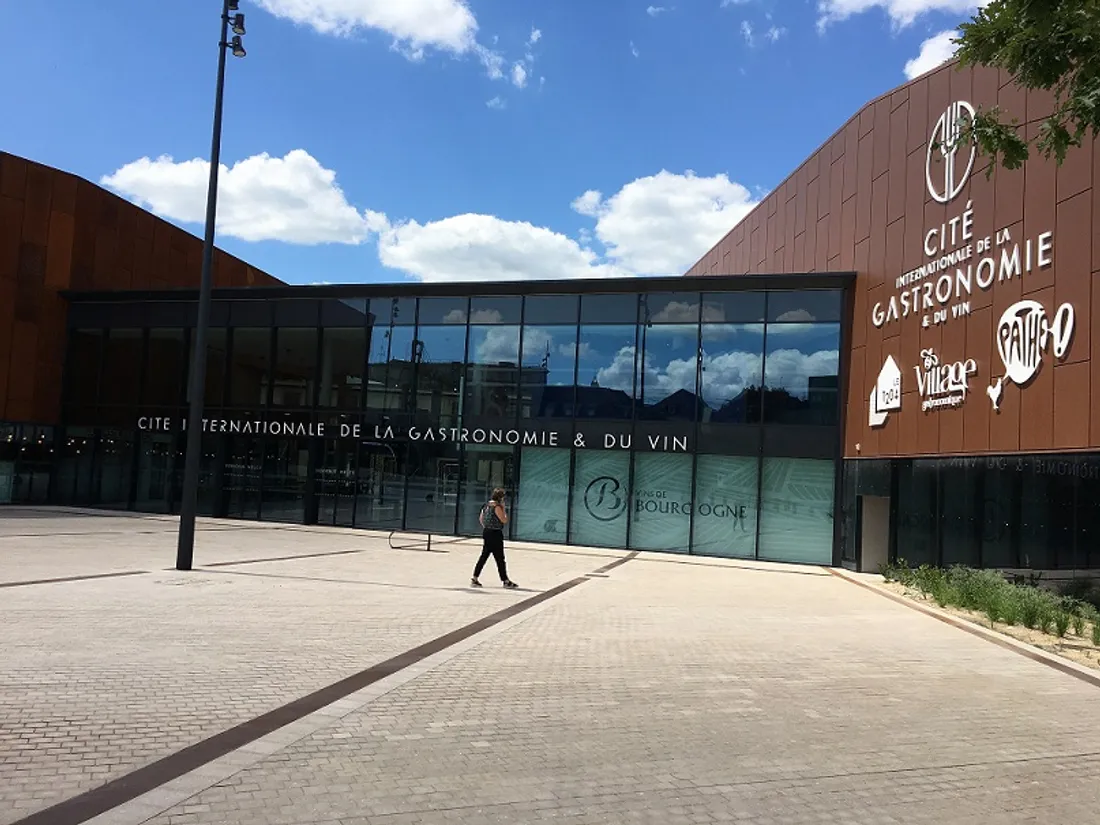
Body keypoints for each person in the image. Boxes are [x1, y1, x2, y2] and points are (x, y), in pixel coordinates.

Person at [471, 487, 518, 589]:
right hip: (495, 533)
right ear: (500, 497)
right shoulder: (497, 507)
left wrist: (487, 526)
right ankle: (505, 580)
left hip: (487, 532)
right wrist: (504, 509)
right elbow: (504, 520)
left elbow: (481, 519)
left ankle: (475, 577)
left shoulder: (486, 505)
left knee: (484, 556)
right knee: (500, 558)